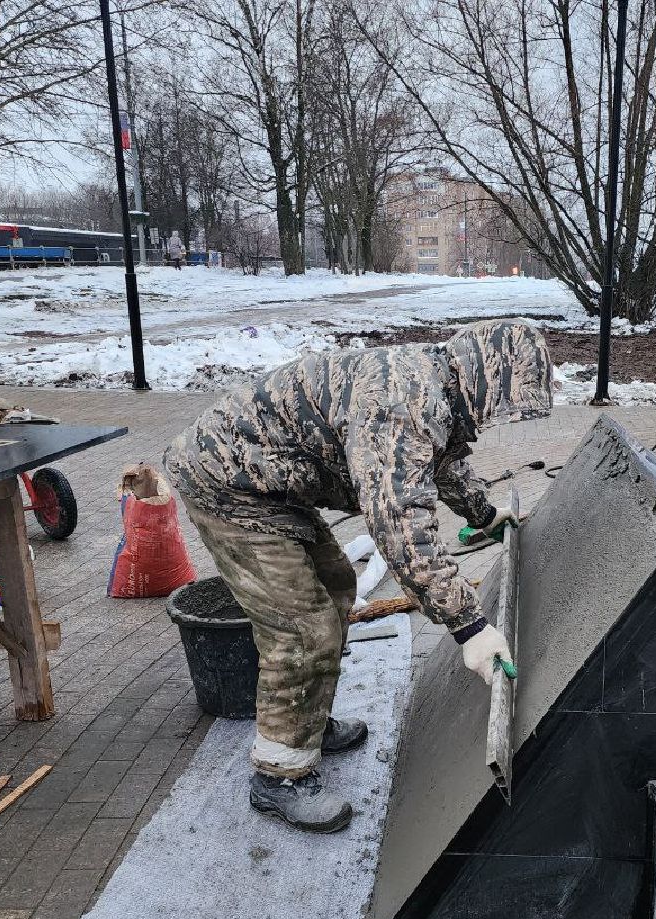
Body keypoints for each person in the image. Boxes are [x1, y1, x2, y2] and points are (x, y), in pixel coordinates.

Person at [166, 319, 552, 833]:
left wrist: (484, 513)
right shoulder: (402, 402)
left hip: (270, 486)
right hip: (227, 486)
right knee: (302, 628)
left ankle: (308, 722)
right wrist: (469, 626)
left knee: (337, 585)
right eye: (503, 403)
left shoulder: (439, 388)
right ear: (486, 377)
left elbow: (438, 466)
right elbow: (400, 526)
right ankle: (279, 775)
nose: (498, 417)